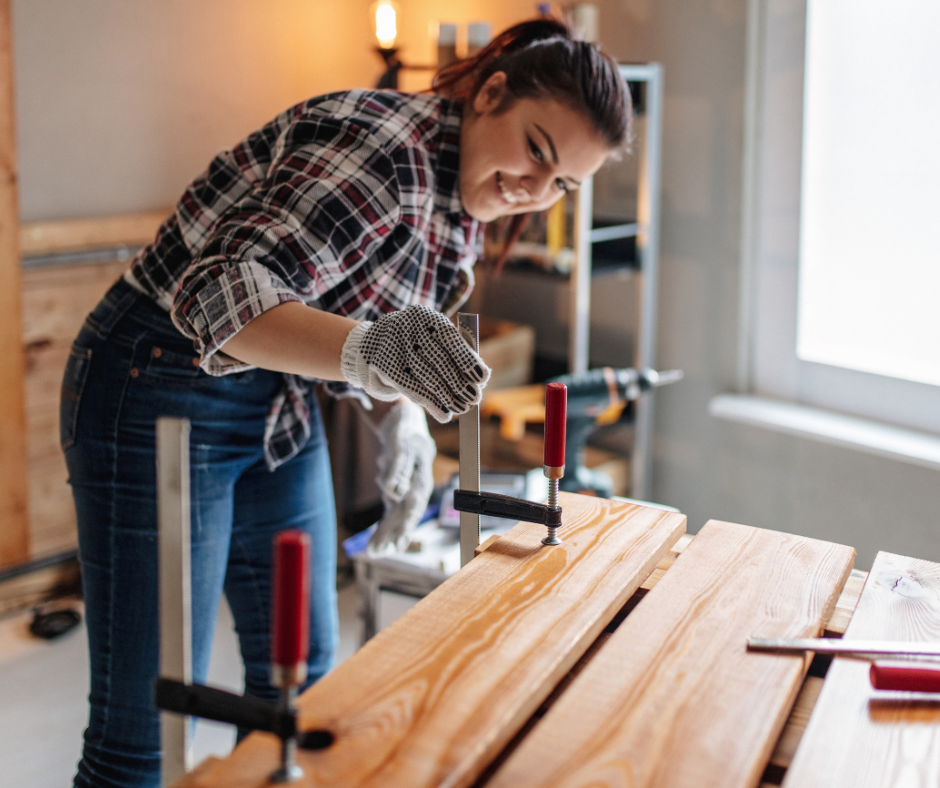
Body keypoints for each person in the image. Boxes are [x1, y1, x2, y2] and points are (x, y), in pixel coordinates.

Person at [61, 17, 631, 788]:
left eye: (561, 183)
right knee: (148, 733)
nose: (534, 190)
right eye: (536, 150)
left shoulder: (464, 195)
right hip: (152, 378)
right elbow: (216, 292)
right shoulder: (383, 153)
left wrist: (398, 411)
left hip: (273, 399)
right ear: (491, 92)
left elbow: (367, 306)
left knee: (303, 691)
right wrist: (368, 356)